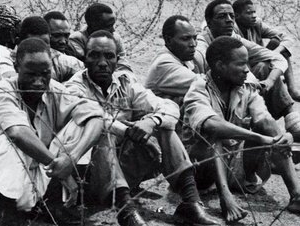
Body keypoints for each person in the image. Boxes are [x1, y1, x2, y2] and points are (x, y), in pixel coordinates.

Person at [65, 30, 219, 226]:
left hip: (124, 172)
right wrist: (128, 131)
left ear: (117, 59)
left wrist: (151, 122)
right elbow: (96, 118)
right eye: (94, 55)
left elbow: (168, 108)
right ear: (84, 59)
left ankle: (191, 201)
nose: (102, 62)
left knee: (164, 127)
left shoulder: (125, 82)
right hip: (89, 178)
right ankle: (126, 211)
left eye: (109, 56)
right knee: (103, 134)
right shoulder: (74, 88)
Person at [0, 38, 104, 224]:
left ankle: (51, 205)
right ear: (17, 67)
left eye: (44, 74)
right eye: (31, 74)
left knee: (82, 124)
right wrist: (62, 170)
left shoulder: (55, 90)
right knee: (9, 139)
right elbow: (17, 133)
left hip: (38, 179)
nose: (38, 81)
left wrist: (72, 158)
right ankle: (7, 212)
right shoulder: (3, 90)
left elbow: (97, 118)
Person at [183, 36, 300, 223]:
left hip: (233, 163)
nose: (247, 69)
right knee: (214, 135)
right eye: (241, 64)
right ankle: (225, 196)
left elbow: (263, 119)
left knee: (268, 127)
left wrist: (281, 136)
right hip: (200, 169)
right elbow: (211, 124)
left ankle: (296, 195)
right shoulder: (198, 88)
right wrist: (261, 139)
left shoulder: (244, 86)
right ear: (220, 66)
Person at [196, 0, 300, 142]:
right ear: (208, 22)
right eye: (222, 16)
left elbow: (278, 58)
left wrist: (269, 81)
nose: (229, 20)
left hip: (238, 90)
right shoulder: (200, 47)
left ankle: (288, 125)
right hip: (212, 98)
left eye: (231, 16)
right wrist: (252, 81)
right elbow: (200, 81)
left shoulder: (234, 37)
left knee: (264, 69)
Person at [233, 0, 300, 101]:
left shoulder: (256, 23)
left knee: (277, 43)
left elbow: (287, 38)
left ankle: (292, 90)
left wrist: (275, 52)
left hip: (259, 57)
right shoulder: (232, 30)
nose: (254, 15)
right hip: (246, 68)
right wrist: (272, 55)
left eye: (254, 12)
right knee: (263, 65)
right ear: (236, 15)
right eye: (249, 13)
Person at [146, 15, 203, 105]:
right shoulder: (163, 63)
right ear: (168, 40)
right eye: (185, 39)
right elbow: (202, 85)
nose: (193, 44)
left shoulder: (183, 57)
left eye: (195, 38)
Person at [16, 16, 84, 83]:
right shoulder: (8, 61)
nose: (40, 49)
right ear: (19, 42)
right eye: (34, 44)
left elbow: (87, 74)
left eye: (45, 43)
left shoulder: (60, 60)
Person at [68, 3, 132, 72]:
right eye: (108, 26)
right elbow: (83, 67)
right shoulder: (76, 40)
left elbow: (124, 66)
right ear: (94, 26)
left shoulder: (115, 38)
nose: (113, 30)